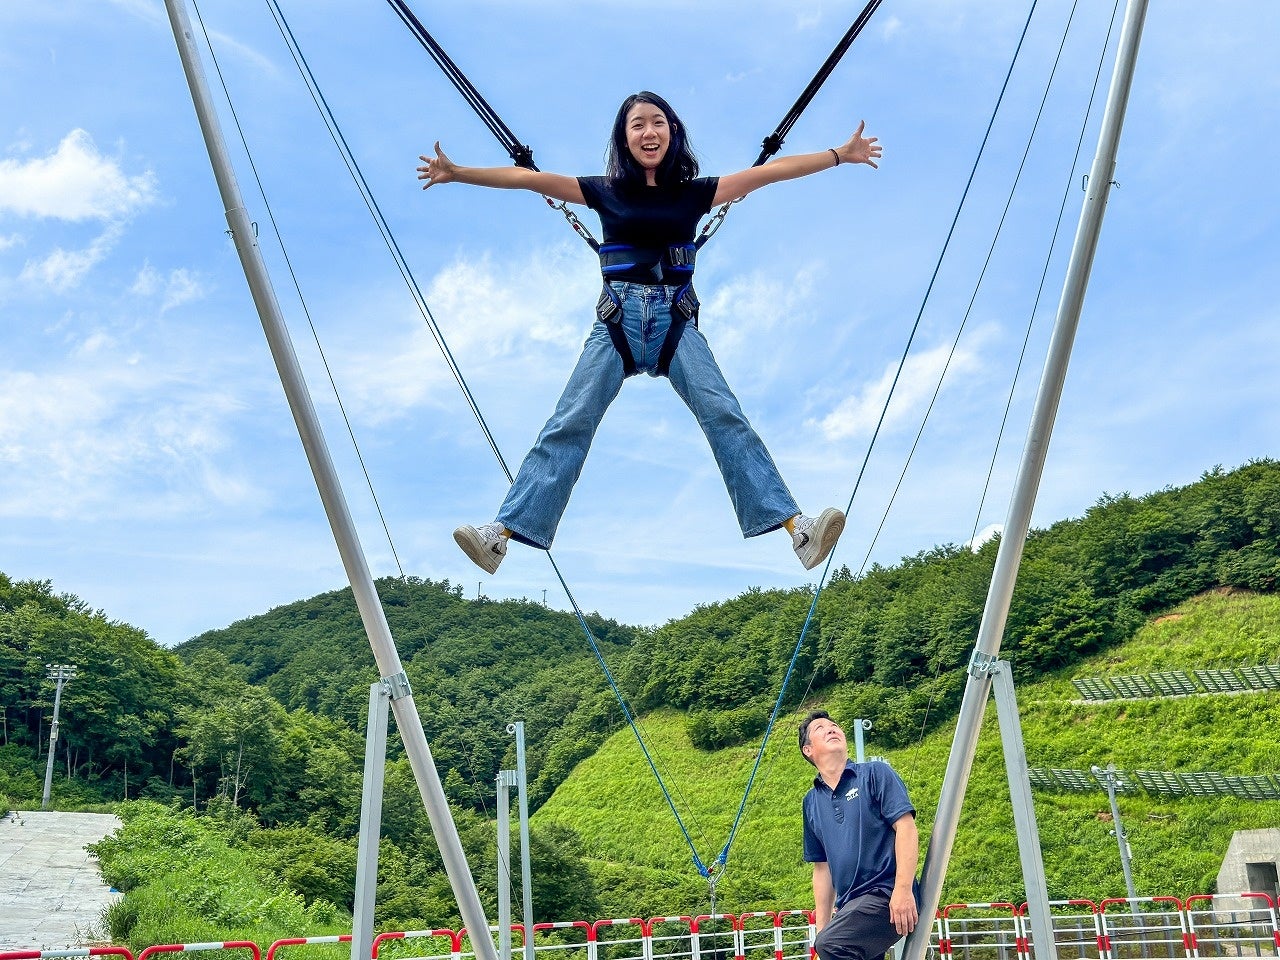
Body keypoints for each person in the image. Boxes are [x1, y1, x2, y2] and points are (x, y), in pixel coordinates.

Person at [416, 91, 882, 575]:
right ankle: (501, 534)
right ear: (624, 137)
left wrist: (837, 156)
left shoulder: (695, 193)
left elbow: (769, 173)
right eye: (637, 124)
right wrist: (458, 172)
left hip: (674, 323)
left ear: (673, 132)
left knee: (725, 415)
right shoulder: (603, 190)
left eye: (658, 122)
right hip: (616, 321)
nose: (648, 132)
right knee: (569, 422)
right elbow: (528, 180)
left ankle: (798, 531)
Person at [799, 710, 920, 960]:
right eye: (821, 728)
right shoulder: (811, 802)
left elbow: (906, 828)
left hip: (885, 894)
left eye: (834, 725)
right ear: (808, 750)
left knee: (832, 946)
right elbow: (822, 868)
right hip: (849, 907)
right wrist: (822, 928)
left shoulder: (875, 774)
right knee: (828, 943)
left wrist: (903, 890)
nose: (832, 728)